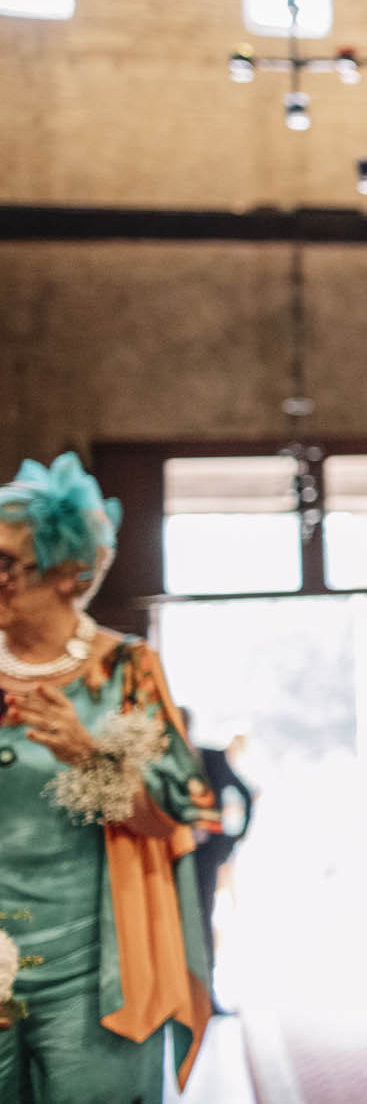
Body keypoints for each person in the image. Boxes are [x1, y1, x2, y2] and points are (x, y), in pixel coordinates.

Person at [0, 453, 216, 1102]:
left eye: (6, 563)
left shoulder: (127, 670)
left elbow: (176, 810)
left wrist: (88, 755)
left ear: (68, 570)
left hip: (93, 975)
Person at [182, 706, 257, 1016]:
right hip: (168, 855)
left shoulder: (210, 757)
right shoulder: (161, 761)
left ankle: (206, 996)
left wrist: (233, 839)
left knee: (201, 921)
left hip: (204, 856)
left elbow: (245, 793)